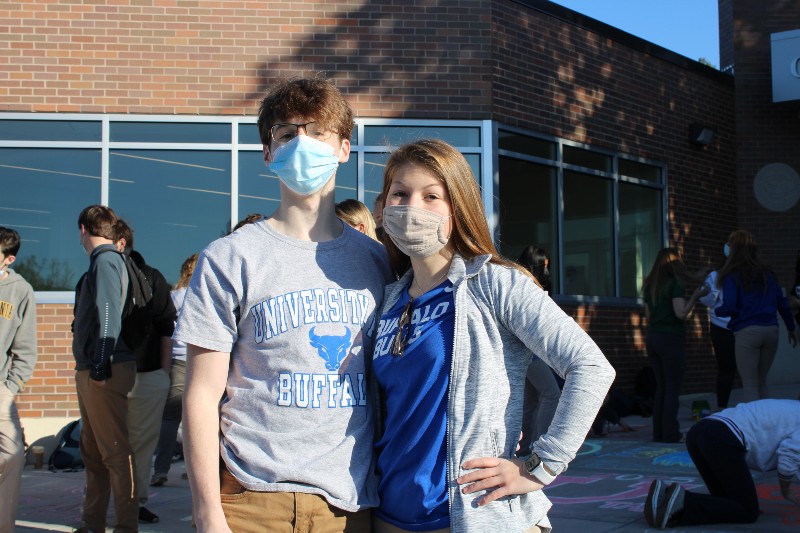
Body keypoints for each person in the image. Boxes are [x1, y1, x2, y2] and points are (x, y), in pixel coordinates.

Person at [174, 76, 393, 533]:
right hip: (253, 502)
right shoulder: (229, 257)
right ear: (268, 153)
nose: (302, 143)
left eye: (317, 132)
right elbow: (200, 394)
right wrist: (206, 511)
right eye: (287, 134)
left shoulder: (374, 259)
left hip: (348, 505)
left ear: (344, 148)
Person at [372, 139, 615, 533]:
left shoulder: (495, 285)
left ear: (459, 208)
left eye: (431, 196)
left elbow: (590, 366)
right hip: (391, 515)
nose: (412, 207)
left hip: (475, 514)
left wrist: (539, 466)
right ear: (383, 208)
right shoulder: (388, 300)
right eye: (400, 193)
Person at [73, 205, 138, 533]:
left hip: (105, 370)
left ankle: (126, 527)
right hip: (94, 369)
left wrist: (99, 366)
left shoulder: (107, 260)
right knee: (94, 453)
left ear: (83, 230)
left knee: (114, 452)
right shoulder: (104, 261)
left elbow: (109, 316)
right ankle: (92, 524)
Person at [645, 399, 800, 529]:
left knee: (727, 503)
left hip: (701, 432)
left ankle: (664, 496)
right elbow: (789, 457)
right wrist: (786, 491)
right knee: (747, 512)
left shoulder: (792, 408)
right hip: (722, 438)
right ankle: (683, 502)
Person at [115, 220, 177, 524]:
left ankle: (133, 502)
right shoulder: (93, 277)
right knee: (106, 444)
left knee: (139, 445)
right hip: (107, 375)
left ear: (121, 243)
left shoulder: (151, 279)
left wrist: (163, 372)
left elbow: (167, 326)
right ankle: (104, 505)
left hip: (146, 374)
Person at [715, 230, 798, 403]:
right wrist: (791, 327)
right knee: (762, 383)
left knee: (750, 386)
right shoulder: (767, 273)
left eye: (729, 243)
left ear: (735, 249)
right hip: (771, 330)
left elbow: (729, 305)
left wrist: (717, 310)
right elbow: (782, 303)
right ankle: (768, 425)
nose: (726, 246)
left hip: (747, 331)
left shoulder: (733, 274)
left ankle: (754, 428)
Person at [642, 248, 708, 443]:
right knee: (672, 388)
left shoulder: (649, 286)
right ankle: (671, 433)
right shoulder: (675, 285)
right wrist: (695, 297)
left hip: (652, 337)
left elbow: (648, 317)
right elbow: (681, 313)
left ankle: (659, 433)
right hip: (670, 338)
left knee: (661, 387)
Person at [0, 227, 37, 532]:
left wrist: (9, 389)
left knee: (12, 454)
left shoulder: (19, 290)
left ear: (8, 259)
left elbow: (26, 348)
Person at [151, 252, 198, 487]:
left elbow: (166, 331)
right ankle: (194, 470)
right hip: (200, 361)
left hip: (178, 361)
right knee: (201, 418)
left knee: (169, 418)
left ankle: (160, 469)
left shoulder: (175, 297)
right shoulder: (203, 296)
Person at [516, 245, 561, 455]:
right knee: (552, 394)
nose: (547, 270)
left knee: (530, 401)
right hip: (531, 352)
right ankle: (540, 447)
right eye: (545, 266)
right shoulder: (531, 288)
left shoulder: (516, 283)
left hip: (522, 352)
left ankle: (526, 447)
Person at [698, 254, 737, 409]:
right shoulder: (715, 276)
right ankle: (722, 406)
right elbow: (706, 300)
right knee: (726, 368)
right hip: (721, 326)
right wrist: (712, 292)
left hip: (738, 326)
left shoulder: (740, 276)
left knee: (734, 368)